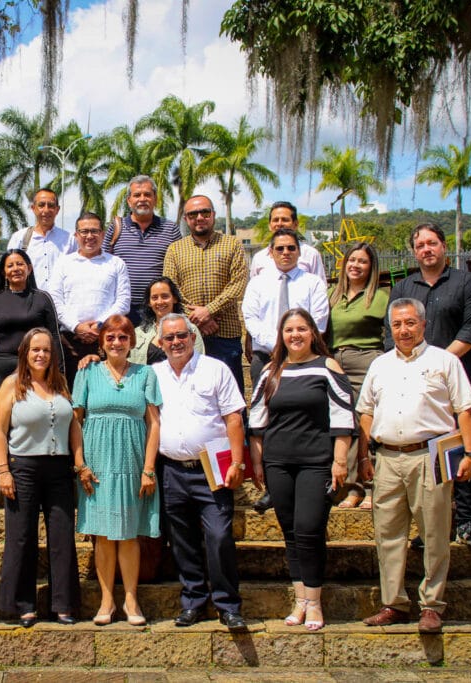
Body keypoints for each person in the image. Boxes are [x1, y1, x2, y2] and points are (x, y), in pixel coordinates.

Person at [359, 298, 471, 632]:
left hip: (430, 457)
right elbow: (365, 410)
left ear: (423, 324)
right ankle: (394, 603)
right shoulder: (380, 365)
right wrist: (369, 449)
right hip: (387, 458)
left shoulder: (444, 361)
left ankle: (432, 606)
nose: (404, 330)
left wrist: (470, 454)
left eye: (410, 323)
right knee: (388, 534)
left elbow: (465, 409)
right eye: (397, 324)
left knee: (435, 533)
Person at [249, 308, 355, 632]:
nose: (295, 335)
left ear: (313, 333)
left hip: (316, 462)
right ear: (281, 336)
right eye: (288, 330)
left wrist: (339, 462)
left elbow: (343, 417)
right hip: (278, 462)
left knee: (310, 530)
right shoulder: (271, 371)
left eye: (301, 329)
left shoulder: (327, 367)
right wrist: (258, 461)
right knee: (291, 533)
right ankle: (300, 599)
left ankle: (315, 600)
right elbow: (256, 420)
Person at [386, 223, 471, 548]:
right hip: (415, 386)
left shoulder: (465, 282)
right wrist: (416, 365)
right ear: (414, 252)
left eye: (432, 243)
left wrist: (437, 362)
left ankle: (467, 520)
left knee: (460, 449)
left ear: (443, 246)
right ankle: (431, 525)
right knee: (426, 455)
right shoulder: (403, 287)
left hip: (457, 378)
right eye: (421, 245)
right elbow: (391, 334)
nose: (427, 249)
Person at [152, 313, 247, 629]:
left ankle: (228, 605)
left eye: (181, 335)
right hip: (171, 470)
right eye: (170, 338)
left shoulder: (215, 369)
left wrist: (237, 463)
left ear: (193, 337)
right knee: (182, 540)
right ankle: (193, 601)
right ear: (160, 342)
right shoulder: (154, 374)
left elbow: (234, 418)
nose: (176, 342)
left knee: (219, 536)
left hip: (212, 468)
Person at [72, 314, 161, 626]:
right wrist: (80, 463)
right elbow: (76, 421)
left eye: (123, 337)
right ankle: (107, 599)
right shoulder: (87, 372)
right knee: (104, 536)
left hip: (133, 462)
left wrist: (149, 469)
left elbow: (153, 423)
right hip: (96, 464)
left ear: (131, 342)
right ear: (101, 341)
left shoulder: (146, 374)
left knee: (129, 534)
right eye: (110, 337)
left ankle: (131, 599)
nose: (116, 342)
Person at [0, 328, 82, 627]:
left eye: (46, 349)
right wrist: (3, 470)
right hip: (23, 467)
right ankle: (22, 604)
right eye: (35, 350)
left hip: (59, 469)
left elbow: (73, 426)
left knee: (61, 537)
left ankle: (63, 605)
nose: (41, 354)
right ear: (25, 353)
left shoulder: (60, 384)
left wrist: (79, 462)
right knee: (21, 537)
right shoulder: (12, 384)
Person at [164, 195, 249, 393]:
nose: (199, 217)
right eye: (193, 214)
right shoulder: (175, 249)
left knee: (230, 392)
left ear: (213, 215)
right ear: (186, 218)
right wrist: (198, 319)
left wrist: (209, 310)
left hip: (225, 333)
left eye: (205, 212)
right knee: (191, 393)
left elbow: (238, 285)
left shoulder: (232, 244)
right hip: (187, 335)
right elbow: (171, 287)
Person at [327, 241, 388, 509]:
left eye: (362, 261)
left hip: (368, 361)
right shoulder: (331, 295)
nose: (356, 265)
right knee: (346, 424)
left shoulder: (382, 297)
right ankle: (353, 488)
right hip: (336, 362)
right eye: (352, 260)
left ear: (371, 266)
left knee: (370, 425)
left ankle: (375, 486)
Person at [50, 212, 131, 388]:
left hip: (106, 339)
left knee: (106, 389)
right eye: (84, 231)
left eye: (94, 231)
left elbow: (123, 301)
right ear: (76, 235)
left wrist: (99, 325)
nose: (89, 236)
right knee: (71, 391)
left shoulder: (116, 263)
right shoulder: (63, 263)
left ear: (102, 234)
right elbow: (55, 301)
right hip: (69, 341)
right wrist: (77, 327)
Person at [242, 228, 329, 384]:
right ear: (271, 252)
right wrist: (276, 346)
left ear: (299, 251)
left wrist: (293, 347)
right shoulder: (257, 283)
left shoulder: (313, 283)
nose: (285, 252)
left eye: (291, 248)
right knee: (264, 407)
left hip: (305, 357)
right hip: (266, 356)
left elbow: (318, 321)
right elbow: (251, 319)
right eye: (280, 248)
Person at [103, 175, 180, 325]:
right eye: (137, 195)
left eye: (147, 194)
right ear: (129, 200)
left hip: (157, 309)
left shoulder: (170, 229)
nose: (142, 199)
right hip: (122, 309)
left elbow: (180, 268)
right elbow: (103, 264)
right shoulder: (116, 227)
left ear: (155, 199)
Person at [0, 249, 62, 387]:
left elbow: (54, 337)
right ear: (3, 272)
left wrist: (59, 372)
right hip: (2, 368)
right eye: (10, 265)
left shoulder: (42, 298)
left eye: (20, 264)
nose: (15, 269)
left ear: (29, 268)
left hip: (37, 366)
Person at [4, 188, 76, 295]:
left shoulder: (69, 240)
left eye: (51, 205)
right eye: (41, 205)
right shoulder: (20, 238)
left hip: (60, 303)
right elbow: (9, 271)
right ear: (33, 208)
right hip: (28, 301)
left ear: (57, 209)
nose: (46, 210)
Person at [130, 277, 204, 365]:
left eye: (165, 296)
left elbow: (199, 364)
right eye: (154, 298)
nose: (160, 302)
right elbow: (131, 368)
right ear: (149, 303)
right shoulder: (138, 333)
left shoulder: (191, 329)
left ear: (175, 299)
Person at [248, 201, 327, 280]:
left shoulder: (311, 255)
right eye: (275, 220)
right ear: (269, 225)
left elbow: (320, 287)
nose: (279, 224)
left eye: (285, 220)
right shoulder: (259, 258)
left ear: (295, 224)